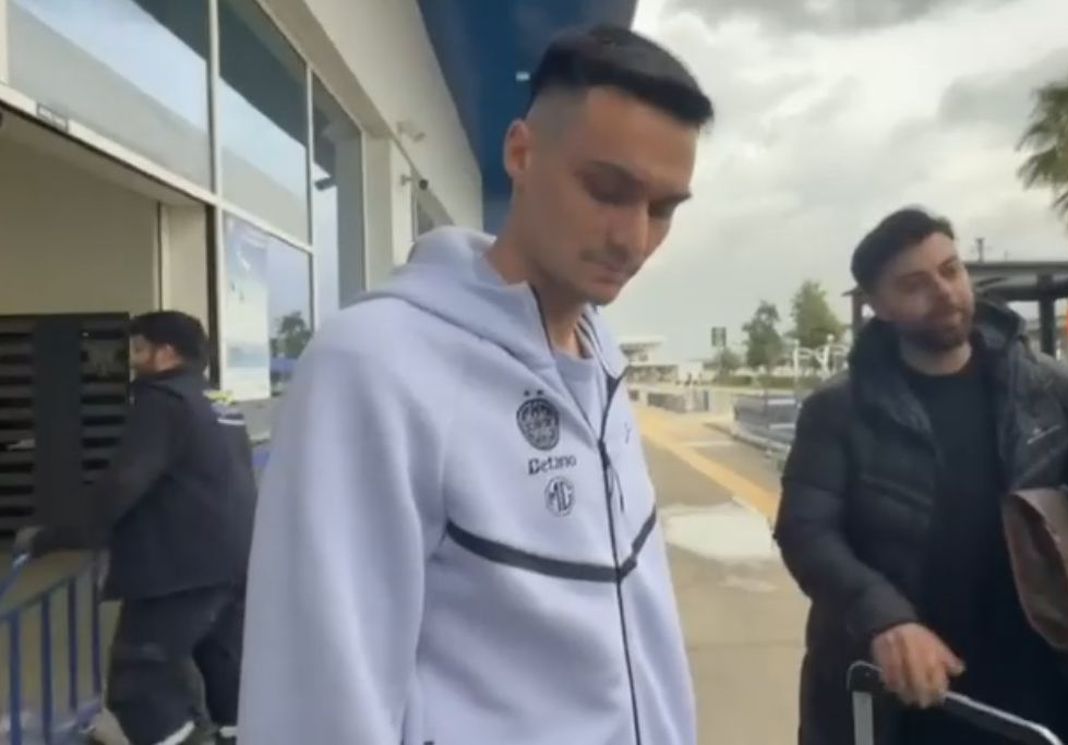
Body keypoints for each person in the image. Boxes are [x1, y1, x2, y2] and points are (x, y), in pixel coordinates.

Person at [238, 25, 713, 745]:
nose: (634, 238)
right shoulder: (375, 366)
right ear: (520, 153)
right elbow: (317, 701)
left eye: (663, 208)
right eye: (606, 190)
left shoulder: (602, 356)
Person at [774, 208, 1068, 745]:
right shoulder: (839, 410)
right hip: (901, 699)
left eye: (951, 269)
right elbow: (806, 531)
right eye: (914, 284)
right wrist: (883, 618)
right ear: (878, 306)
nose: (943, 292)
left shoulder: (1046, 387)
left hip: (1043, 691)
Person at [14, 311, 256, 745]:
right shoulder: (218, 401)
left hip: (179, 568)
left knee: (140, 680)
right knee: (222, 672)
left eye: (139, 349)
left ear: (166, 353)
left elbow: (124, 482)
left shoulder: (162, 400)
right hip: (232, 561)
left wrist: (55, 537)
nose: (132, 359)